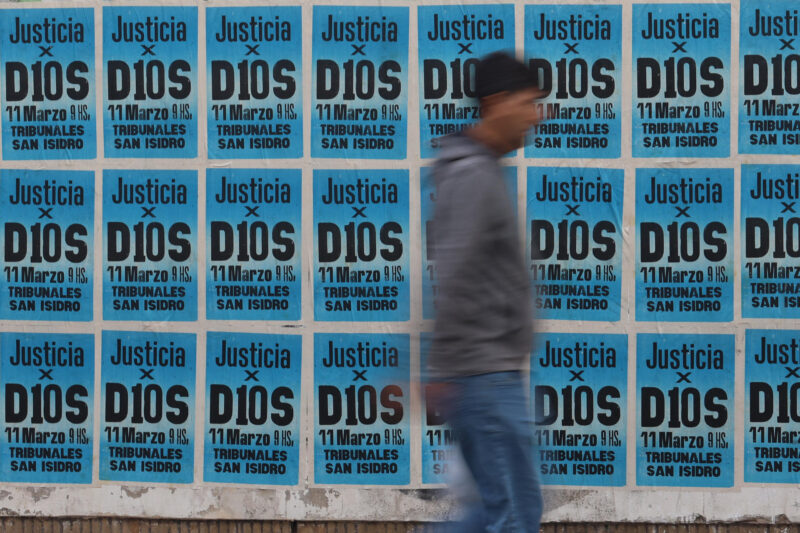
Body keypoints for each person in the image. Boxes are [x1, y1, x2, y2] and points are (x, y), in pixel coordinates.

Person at [427, 51, 543, 533]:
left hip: (489, 376)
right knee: (513, 517)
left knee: (492, 514)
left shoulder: (481, 168)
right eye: (529, 102)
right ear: (497, 102)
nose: (538, 115)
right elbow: (453, 275)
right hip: (484, 377)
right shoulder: (473, 174)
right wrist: (443, 368)